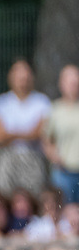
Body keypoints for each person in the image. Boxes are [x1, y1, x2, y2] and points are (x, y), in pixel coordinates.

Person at [0, 58, 51, 198]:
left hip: (33, 157)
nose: (23, 79)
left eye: (26, 76)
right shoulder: (1, 103)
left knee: (34, 198)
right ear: (11, 77)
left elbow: (39, 133)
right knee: (5, 197)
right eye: (19, 76)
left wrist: (11, 134)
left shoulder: (42, 102)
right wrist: (26, 133)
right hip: (7, 158)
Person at [43, 64, 79, 204]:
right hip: (63, 172)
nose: (73, 85)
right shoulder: (55, 110)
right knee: (63, 212)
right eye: (70, 82)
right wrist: (53, 155)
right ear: (61, 84)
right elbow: (46, 139)